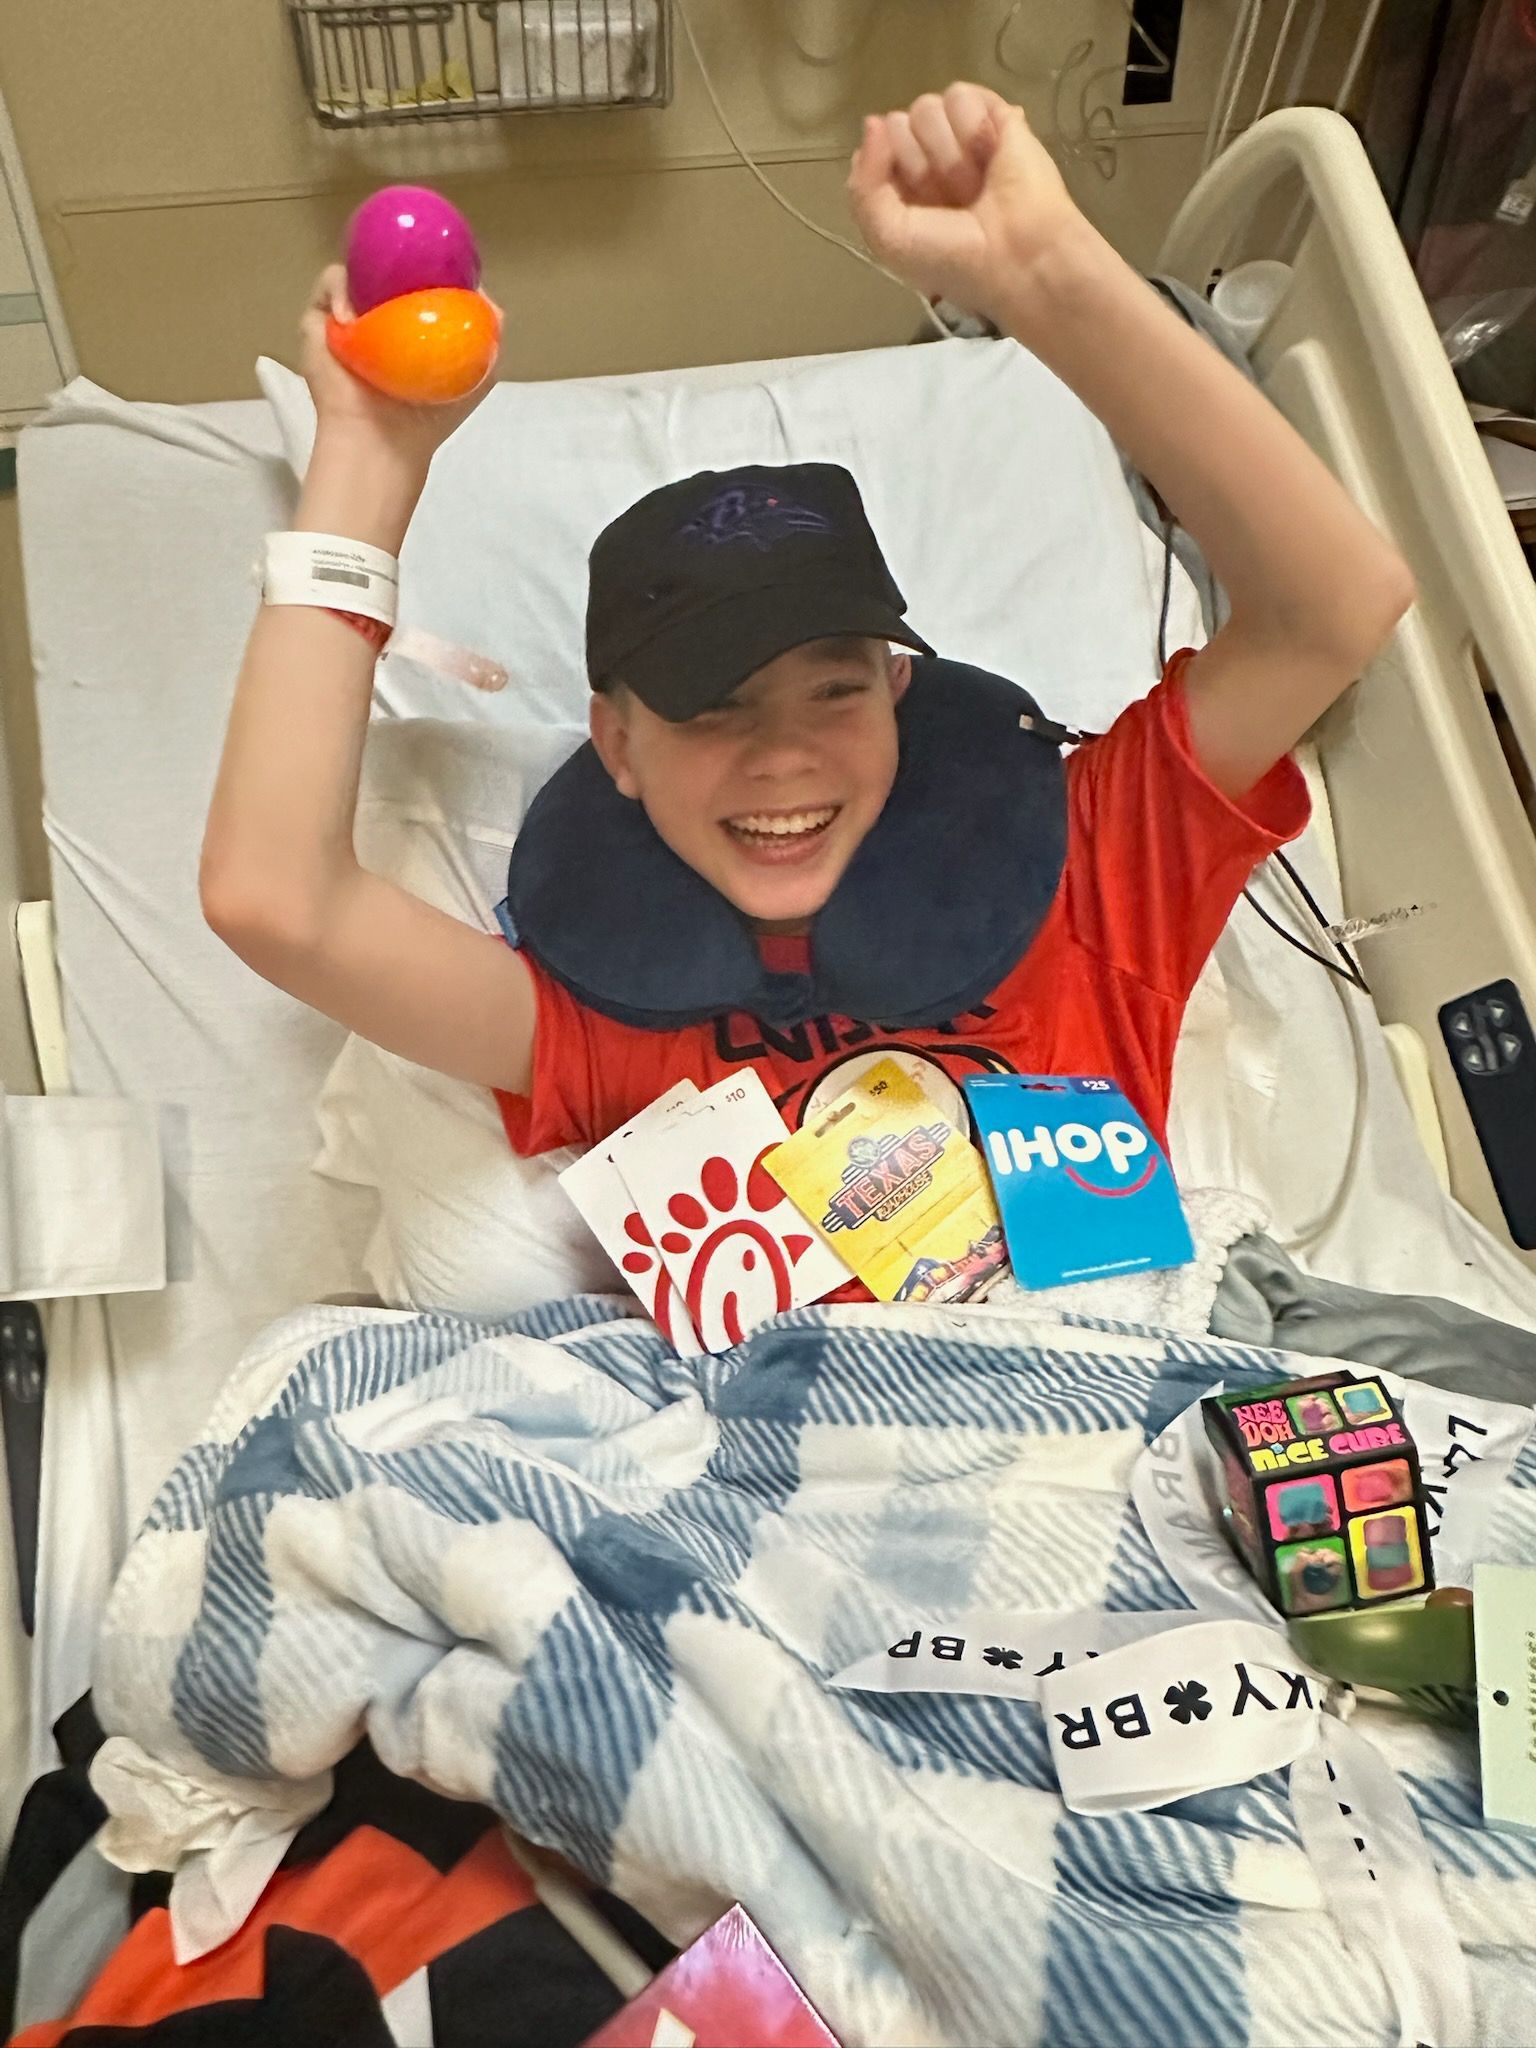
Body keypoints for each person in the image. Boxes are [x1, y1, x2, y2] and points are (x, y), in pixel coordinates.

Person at [202, 83, 1413, 1177]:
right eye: (712, 704)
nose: (783, 754)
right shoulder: (605, 1015)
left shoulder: (1089, 877)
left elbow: (1335, 609)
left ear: (898, 689)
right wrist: (365, 459)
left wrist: (1044, 273)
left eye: (833, 689)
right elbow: (276, 899)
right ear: (616, 745)